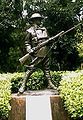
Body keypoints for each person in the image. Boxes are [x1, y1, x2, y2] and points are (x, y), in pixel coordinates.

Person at [18, 13, 56, 94]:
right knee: (31, 69)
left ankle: (50, 84)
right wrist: (29, 49)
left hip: (46, 52)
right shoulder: (29, 31)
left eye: (40, 19)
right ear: (33, 20)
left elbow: (48, 40)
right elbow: (27, 42)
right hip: (36, 53)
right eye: (38, 19)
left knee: (47, 69)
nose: (39, 20)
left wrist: (52, 40)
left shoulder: (44, 29)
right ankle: (23, 85)